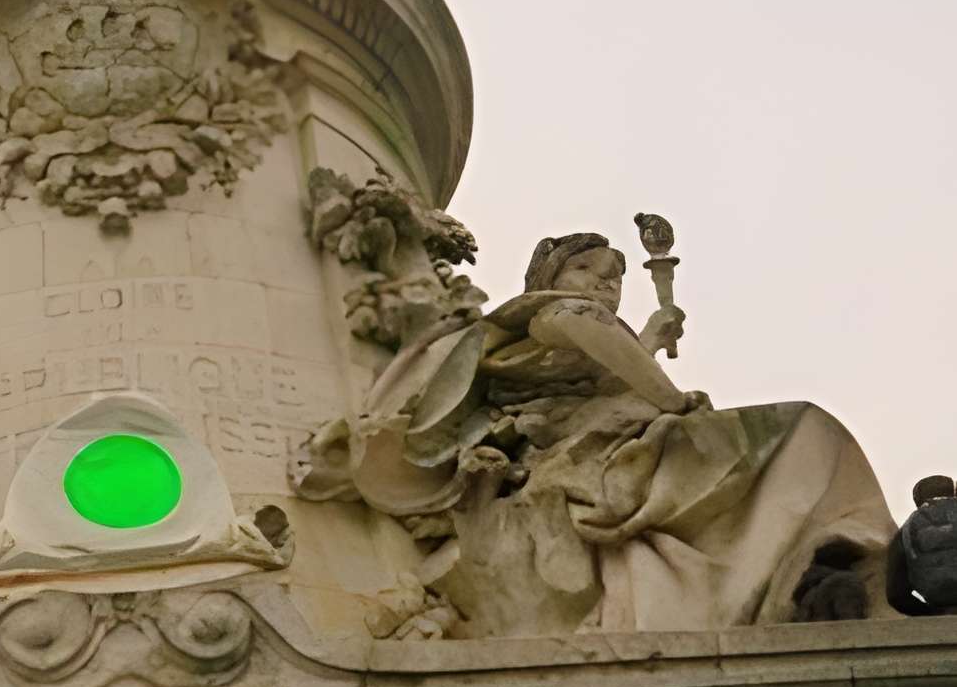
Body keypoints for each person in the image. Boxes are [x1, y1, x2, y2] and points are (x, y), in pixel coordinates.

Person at [307, 230, 896, 636]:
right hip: (596, 455)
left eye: (613, 276)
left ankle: (824, 564)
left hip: (621, 441)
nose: (603, 284)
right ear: (549, 278)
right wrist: (674, 398)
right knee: (803, 434)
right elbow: (599, 342)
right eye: (584, 269)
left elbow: (610, 373)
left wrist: (651, 337)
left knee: (805, 437)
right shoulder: (552, 314)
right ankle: (828, 559)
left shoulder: (580, 331)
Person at [886, 474, 957, 615]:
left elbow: (895, 594)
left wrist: (932, 614)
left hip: (943, 610)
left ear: (918, 500)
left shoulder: (906, 531)